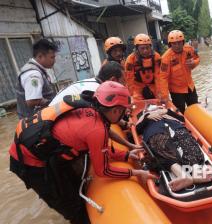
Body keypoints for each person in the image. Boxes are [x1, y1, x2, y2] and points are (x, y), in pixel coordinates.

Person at [9, 81, 156, 224]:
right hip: (30, 161)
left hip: (40, 146)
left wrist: (126, 153)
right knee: (72, 208)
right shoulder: (96, 128)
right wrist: (136, 173)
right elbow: (103, 170)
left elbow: (99, 144)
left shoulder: (91, 107)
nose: (124, 115)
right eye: (124, 110)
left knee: (75, 187)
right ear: (116, 110)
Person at [49, 61, 138, 150]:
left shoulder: (92, 83)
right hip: (53, 132)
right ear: (113, 80)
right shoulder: (97, 94)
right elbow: (103, 127)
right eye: (122, 82)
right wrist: (129, 145)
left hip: (52, 120)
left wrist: (125, 124)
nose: (124, 86)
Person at [136, 105, 212, 191]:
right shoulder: (145, 117)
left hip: (176, 127)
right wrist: (147, 118)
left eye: (157, 107)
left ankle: (196, 171)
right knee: (161, 146)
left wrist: (167, 111)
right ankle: (182, 175)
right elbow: (138, 129)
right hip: (155, 131)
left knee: (186, 141)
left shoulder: (167, 112)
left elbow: (182, 119)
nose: (155, 109)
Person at [158, 30, 200, 113]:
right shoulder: (166, 58)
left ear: (183, 42)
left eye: (179, 43)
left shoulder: (189, 49)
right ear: (170, 44)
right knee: (180, 112)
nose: (177, 46)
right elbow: (163, 78)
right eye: (174, 43)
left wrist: (194, 63)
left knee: (195, 109)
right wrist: (165, 96)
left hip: (190, 87)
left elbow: (197, 58)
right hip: (176, 91)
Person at [16, 38, 58, 119]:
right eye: (52, 57)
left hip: (38, 119)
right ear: (40, 56)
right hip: (34, 122)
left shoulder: (38, 70)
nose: (54, 60)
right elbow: (32, 101)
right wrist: (52, 103)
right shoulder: (33, 74)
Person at [125, 33, 161, 100]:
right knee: (138, 105)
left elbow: (158, 76)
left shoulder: (156, 57)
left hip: (154, 86)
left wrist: (159, 92)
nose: (145, 51)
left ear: (151, 47)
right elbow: (129, 78)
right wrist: (131, 95)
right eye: (142, 48)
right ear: (137, 49)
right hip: (138, 87)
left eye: (147, 48)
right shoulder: (131, 59)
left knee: (160, 102)